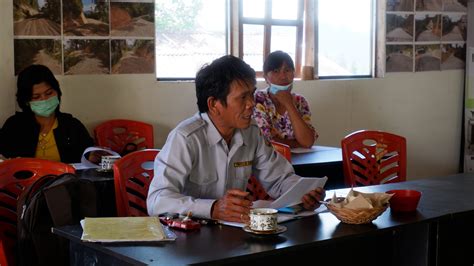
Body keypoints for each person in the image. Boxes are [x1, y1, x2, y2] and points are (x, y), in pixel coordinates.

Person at [147, 55, 325, 223]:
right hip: (190, 239)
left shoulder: (251, 133)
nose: (251, 104)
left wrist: (303, 193)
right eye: (242, 97)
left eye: (252, 94)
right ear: (214, 104)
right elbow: (157, 201)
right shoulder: (185, 138)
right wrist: (213, 208)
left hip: (234, 234)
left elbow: (279, 179)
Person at [0, 64, 94, 163]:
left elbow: (89, 155)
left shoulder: (71, 125)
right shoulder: (14, 126)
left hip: (65, 178)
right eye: (36, 97)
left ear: (57, 92)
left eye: (49, 93)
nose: (44, 99)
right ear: (26, 101)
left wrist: (92, 157)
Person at [253, 50, 318, 148]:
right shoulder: (258, 99)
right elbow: (265, 141)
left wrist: (289, 105)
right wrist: (297, 143)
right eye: (276, 71)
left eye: (287, 70)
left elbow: (307, 142)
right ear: (266, 77)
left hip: (299, 161)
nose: (283, 76)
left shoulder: (300, 101)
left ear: (293, 74)